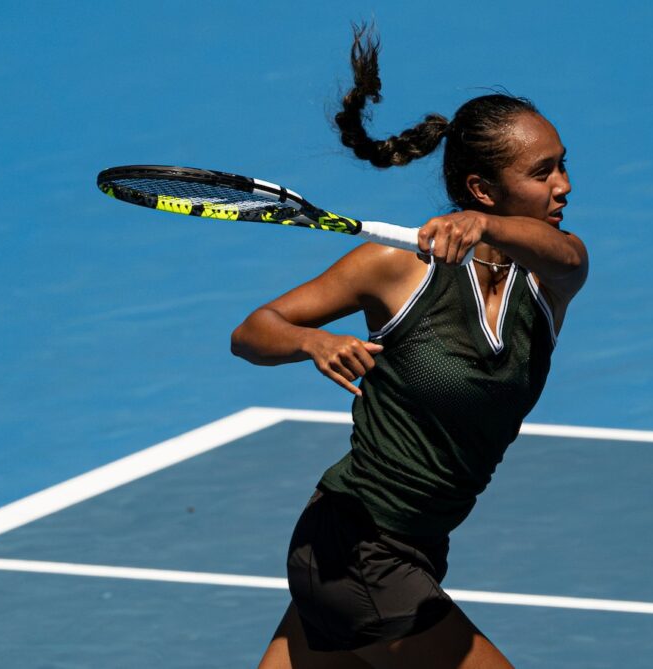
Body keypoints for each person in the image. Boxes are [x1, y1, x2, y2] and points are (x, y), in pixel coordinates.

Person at [233, 24, 586, 669]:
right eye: (543, 172)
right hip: (359, 545)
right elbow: (253, 332)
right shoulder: (392, 270)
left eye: (563, 164)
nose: (563, 185)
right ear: (482, 186)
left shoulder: (547, 278)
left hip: (415, 545)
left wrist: (487, 227)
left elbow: (570, 253)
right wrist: (310, 342)